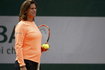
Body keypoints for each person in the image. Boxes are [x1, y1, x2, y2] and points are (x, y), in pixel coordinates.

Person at [14, 0, 47, 70]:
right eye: (32, 8)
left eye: (35, 8)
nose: (34, 10)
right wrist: (22, 65)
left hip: (36, 63)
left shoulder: (33, 24)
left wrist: (40, 49)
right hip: (25, 63)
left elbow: (31, 44)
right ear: (25, 11)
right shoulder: (21, 25)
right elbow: (18, 46)